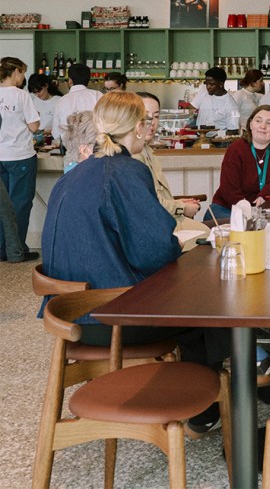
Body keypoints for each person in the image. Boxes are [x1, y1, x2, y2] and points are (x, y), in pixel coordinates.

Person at [39, 91, 228, 436]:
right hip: (110, 318)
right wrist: (186, 242)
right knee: (211, 309)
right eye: (147, 123)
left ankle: (199, 395)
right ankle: (204, 407)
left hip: (67, 313)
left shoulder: (75, 175)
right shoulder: (126, 171)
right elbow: (154, 251)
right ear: (139, 128)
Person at [134, 92, 208, 244]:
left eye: (155, 116)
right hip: (154, 225)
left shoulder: (148, 150)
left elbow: (158, 197)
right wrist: (182, 207)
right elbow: (149, 203)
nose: (151, 122)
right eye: (145, 115)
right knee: (205, 236)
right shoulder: (133, 155)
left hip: (166, 218)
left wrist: (180, 201)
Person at [211, 104, 270, 219]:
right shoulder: (236, 149)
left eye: (269, 123)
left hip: (266, 209)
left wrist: (265, 195)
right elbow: (228, 189)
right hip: (229, 208)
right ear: (250, 124)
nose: (263, 126)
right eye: (258, 121)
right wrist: (243, 206)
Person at [0, 57, 41, 263]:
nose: (23, 77)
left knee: (2, 206)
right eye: (22, 73)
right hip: (20, 155)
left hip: (0, 156)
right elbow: (34, 127)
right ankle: (17, 251)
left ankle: (2, 249)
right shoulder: (21, 96)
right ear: (15, 71)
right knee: (20, 204)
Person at [52, 62, 103, 143]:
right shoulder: (98, 95)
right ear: (88, 80)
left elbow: (56, 133)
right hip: (94, 147)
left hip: (70, 149)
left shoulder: (61, 101)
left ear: (70, 81)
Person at [190, 66, 240, 131]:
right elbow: (191, 108)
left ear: (221, 84)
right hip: (199, 137)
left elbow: (233, 130)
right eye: (206, 83)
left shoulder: (231, 105)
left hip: (217, 140)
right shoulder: (204, 91)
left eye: (211, 84)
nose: (208, 87)